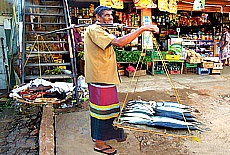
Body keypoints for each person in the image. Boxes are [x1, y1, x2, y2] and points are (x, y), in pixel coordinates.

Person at [84, 6, 159, 155]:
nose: (110, 18)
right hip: (100, 76)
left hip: (106, 75)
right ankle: (99, 143)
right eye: (106, 16)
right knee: (101, 112)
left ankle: (113, 134)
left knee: (111, 108)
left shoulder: (102, 29)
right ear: (97, 18)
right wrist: (142, 29)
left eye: (111, 16)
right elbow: (118, 42)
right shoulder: (94, 29)